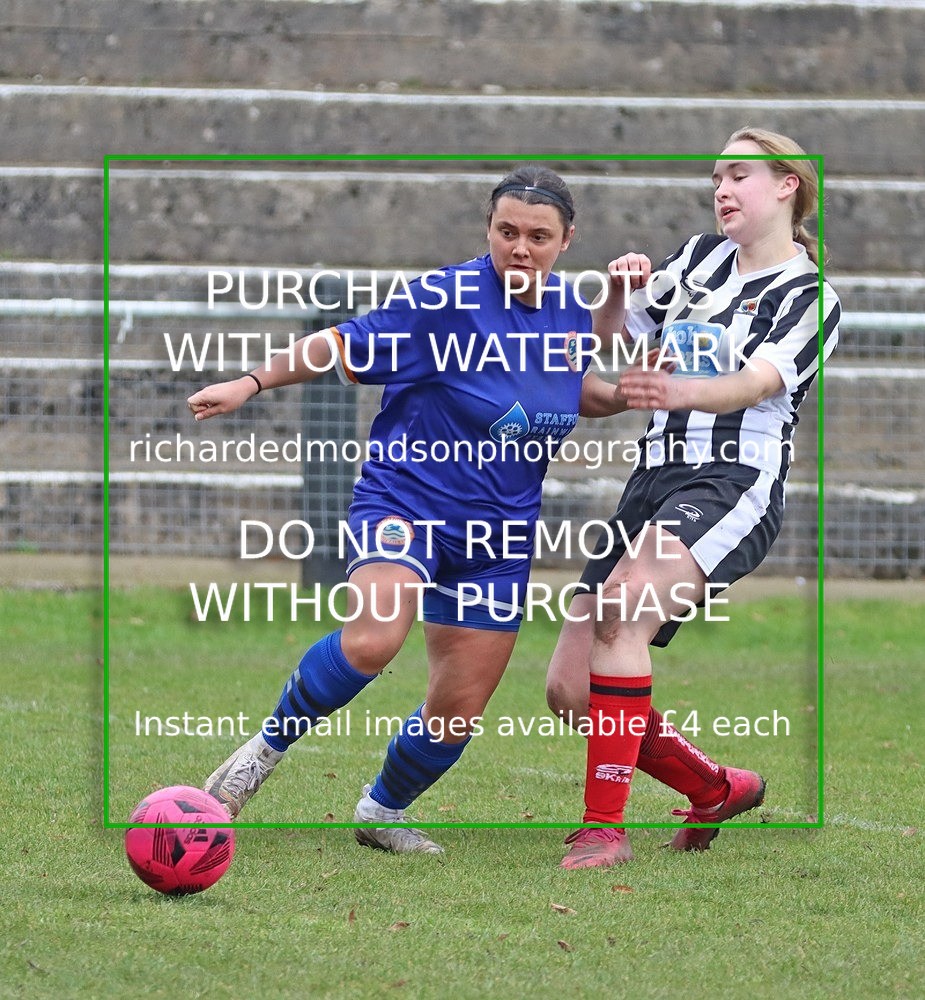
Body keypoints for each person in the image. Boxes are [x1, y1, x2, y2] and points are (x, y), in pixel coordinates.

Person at [187, 166, 629, 854]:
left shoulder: (569, 311)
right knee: (372, 638)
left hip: (497, 536)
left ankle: (381, 810)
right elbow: (337, 344)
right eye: (505, 231)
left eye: (537, 236)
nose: (519, 246)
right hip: (407, 503)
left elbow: (575, 390)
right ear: (488, 229)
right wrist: (251, 381)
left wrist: (635, 391)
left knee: (457, 712)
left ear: (566, 240)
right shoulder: (443, 299)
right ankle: (255, 762)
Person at [546, 128, 841, 869]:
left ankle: (602, 830)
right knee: (567, 690)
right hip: (652, 478)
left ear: (786, 185)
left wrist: (675, 387)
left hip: (730, 481)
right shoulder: (697, 258)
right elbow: (610, 335)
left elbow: (752, 386)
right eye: (714, 176)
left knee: (620, 612)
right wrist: (616, 289)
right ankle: (714, 788)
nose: (720, 188)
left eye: (736, 174)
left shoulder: (809, 295)